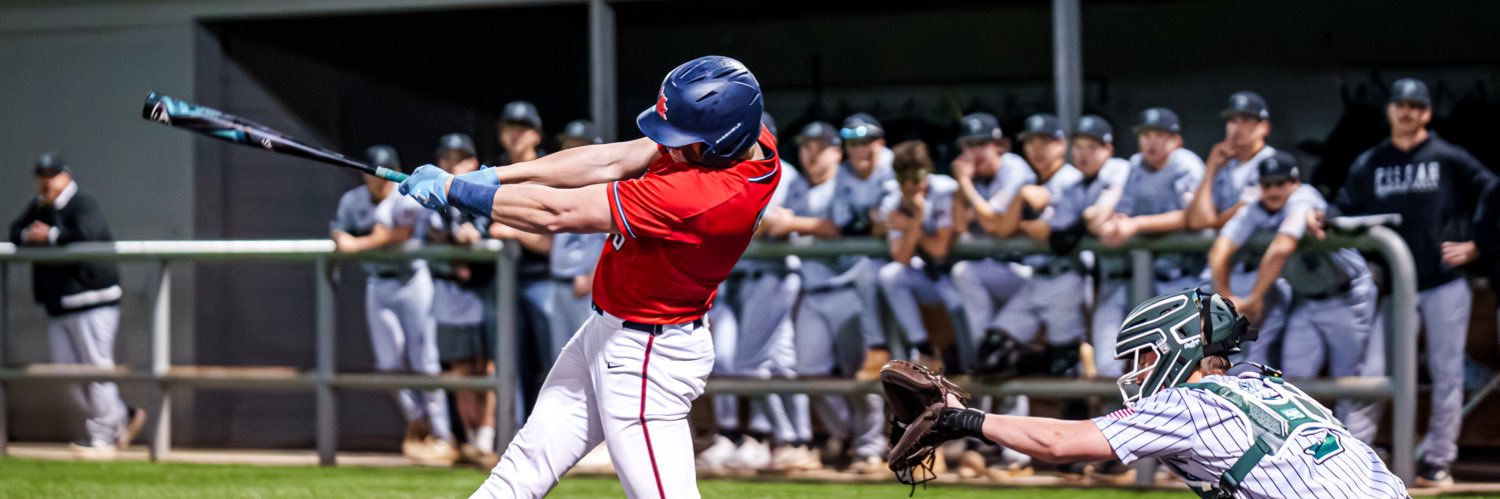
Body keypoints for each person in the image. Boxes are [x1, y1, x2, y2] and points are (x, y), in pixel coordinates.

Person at [399, 55, 779, 498]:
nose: (668, 147)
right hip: (609, 330)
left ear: (722, 141)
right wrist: (492, 175)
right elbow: (609, 159)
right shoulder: (748, 140)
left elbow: (558, 211)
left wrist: (457, 191)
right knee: (518, 474)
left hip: (647, 359)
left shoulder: (701, 197)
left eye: (682, 139)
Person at [891, 289, 1409, 499]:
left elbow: (1058, 443)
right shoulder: (1268, 382)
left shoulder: (1189, 403)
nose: (1137, 371)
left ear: (1177, 349)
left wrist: (961, 420)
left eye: (1143, 356)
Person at [1322, 78, 1498, 486]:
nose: (1407, 112)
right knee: (1371, 373)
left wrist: (1478, 245)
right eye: (1400, 105)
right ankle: (1351, 461)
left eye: (1415, 106)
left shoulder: (1446, 156)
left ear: (1427, 113)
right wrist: (1324, 216)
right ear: (1390, 111)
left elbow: (1492, 189)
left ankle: (1438, 462)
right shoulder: (1371, 162)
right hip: (1394, 289)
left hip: (1443, 282)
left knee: (1446, 373)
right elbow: (1342, 205)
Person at [1207, 151, 1377, 440]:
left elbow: (1281, 248)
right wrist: (1228, 298)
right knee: (1295, 378)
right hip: (1307, 299)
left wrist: (1256, 296)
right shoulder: (1256, 207)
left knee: (1350, 380)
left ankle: (1358, 455)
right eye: (1268, 184)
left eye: (1281, 183)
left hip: (1347, 295)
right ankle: (1304, 450)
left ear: (1294, 182)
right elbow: (1220, 250)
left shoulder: (1304, 198)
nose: (1274, 190)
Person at [760, 120, 887, 474]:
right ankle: (845, 434)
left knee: (859, 375)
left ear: (836, 151)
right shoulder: (798, 186)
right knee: (808, 372)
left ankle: (869, 448)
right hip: (813, 291)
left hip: (849, 288)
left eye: (820, 148)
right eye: (806, 147)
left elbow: (839, 228)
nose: (811, 154)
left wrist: (793, 224)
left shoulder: (844, 183)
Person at [8, 153, 145, 458]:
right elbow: (15, 232)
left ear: (65, 176)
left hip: (94, 300)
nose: (47, 180)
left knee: (96, 369)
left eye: (53, 174)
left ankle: (104, 436)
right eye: (42, 174)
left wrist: (52, 236)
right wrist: (33, 235)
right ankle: (123, 417)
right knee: (68, 376)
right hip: (60, 305)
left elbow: (88, 233)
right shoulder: (39, 206)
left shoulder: (82, 202)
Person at [331, 146, 456, 465]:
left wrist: (356, 244)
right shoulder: (353, 199)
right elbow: (339, 226)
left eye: (385, 171)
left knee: (425, 361)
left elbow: (397, 233)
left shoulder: (405, 193)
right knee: (387, 364)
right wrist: (341, 237)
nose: (379, 178)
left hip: (413, 280)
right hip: (379, 283)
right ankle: (418, 420)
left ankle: (443, 435)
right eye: (374, 171)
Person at [697, 111, 805, 473]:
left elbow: (777, 223)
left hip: (773, 277)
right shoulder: (724, 172)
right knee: (724, 359)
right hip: (732, 279)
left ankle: (770, 437)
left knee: (763, 364)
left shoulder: (785, 172)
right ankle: (731, 435)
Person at [1092, 108, 1205, 376]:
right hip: (1146, 280)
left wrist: (1137, 225)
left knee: (1187, 364)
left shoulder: (1185, 164)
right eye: (1145, 135)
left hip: (1188, 279)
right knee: (1123, 362)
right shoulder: (1136, 165)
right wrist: (1117, 222)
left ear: (1175, 140)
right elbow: (1125, 211)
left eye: (1159, 135)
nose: (1150, 142)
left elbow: (1194, 218)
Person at [1187, 91, 1290, 367]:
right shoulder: (1225, 167)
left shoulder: (1273, 165)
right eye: (1232, 120)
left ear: (1264, 127)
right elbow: (1198, 220)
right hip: (1225, 276)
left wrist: (1214, 217)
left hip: (1259, 278)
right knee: (1216, 360)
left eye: (1247, 120)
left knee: (1252, 364)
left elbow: (1229, 217)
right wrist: (1210, 168)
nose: (1237, 126)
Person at [426, 133, 498, 467]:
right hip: (452, 292)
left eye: (461, 158)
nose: (454, 164)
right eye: (448, 159)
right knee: (460, 369)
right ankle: (471, 442)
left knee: (488, 366)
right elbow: (426, 240)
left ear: (473, 161)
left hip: (491, 289)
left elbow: (498, 227)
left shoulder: (488, 192)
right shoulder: (432, 197)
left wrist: (479, 237)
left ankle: (486, 439)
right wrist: (453, 258)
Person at [948, 112, 1035, 373]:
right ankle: (982, 356)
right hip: (998, 274)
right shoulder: (973, 179)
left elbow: (993, 222)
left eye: (982, 144)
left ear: (1000, 145)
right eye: (969, 145)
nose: (976, 153)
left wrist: (964, 182)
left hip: (1031, 275)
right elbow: (960, 225)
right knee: (997, 358)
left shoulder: (1014, 167)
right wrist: (963, 186)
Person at [486, 100, 556, 417]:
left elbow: (552, 242)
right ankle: (513, 434)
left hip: (547, 279)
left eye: (522, 128)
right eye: (508, 128)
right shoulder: (493, 171)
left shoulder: (552, 171)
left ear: (536, 134)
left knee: (555, 361)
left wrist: (515, 232)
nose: (514, 135)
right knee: (510, 363)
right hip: (502, 281)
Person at [875, 141, 960, 370]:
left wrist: (914, 224)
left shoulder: (946, 189)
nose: (912, 186)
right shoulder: (894, 198)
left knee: (959, 305)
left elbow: (940, 250)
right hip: (930, 277)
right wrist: (919, 219)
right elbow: (900, 256)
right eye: (904, 179)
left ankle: (965, 360)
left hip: (959, 275)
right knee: (891, 275)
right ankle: (922, 347)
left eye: (917, 176)